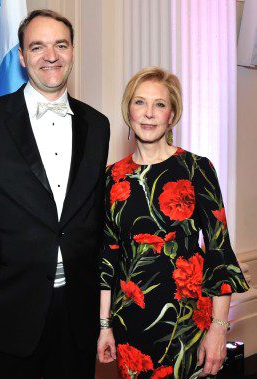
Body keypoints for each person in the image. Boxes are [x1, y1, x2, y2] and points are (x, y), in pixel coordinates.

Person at [0, 9, 110, 379]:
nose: (50, 56)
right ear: (21, 56)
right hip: (8, 311)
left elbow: (94, 219)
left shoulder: (98, 125)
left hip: (77, 313)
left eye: (60, 45)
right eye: (38, 47)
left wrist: (103, 319)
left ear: (72, 51)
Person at [97, 67, 249, 379]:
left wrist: (219, 329)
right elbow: (107, 256)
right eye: (140, 102)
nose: (149, 114)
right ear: (128, 110)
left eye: (160, 104)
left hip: (187, 324)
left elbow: (219, 251)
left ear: (172, 115)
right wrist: (104, 326)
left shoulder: (196, 169)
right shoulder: (112, 177)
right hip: (130, 324)